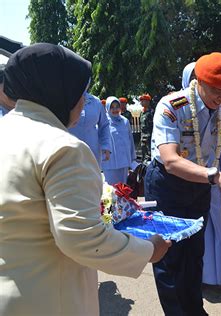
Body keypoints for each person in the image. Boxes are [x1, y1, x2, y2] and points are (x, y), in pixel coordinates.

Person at [0, 43, 171, 316]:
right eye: (80, 91)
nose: (84, 102)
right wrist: (148, 249)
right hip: (49, 300)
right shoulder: (63, 148)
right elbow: (82, 238)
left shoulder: (7, 130)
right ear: (59, 91)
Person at [146, 52, 221, 315]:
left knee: (194, 254)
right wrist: (218, 177)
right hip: (167, 186)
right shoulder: (172, 106)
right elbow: (171, 161)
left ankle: (194, 309)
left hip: (199, 186)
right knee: (168, 257)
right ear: (198, 81)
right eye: (215, 90)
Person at [181, 61, 221, 286]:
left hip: (213, 183)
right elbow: (168, 158)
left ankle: (213, 277)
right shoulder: (175, 108)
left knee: (212, 228)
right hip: (182, 184)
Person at [69, 92, 112, 167]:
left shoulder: (96, 102)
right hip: (70, 151)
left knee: (92, 177)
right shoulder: (65, 99)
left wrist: (106, 146)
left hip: (93, 152)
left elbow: (104, 125)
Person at [102, 96, 138, 185]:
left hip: (124, 161)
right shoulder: (104, 122)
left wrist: (132, 158)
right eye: (112, 107)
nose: (115, 110)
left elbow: (130, 140)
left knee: (123, 188)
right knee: (111, 190)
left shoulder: (125, 121)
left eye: (117, 107)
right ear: (107, 108)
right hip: (110, 162)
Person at [139, 93, 153, 162]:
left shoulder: (151, 112)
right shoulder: (142, 112)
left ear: (148, 101)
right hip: (143, 137)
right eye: (141, 101)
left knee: (149, 155)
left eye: (143, 100)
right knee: (143, 155)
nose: (141, 102)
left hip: (149, 137)